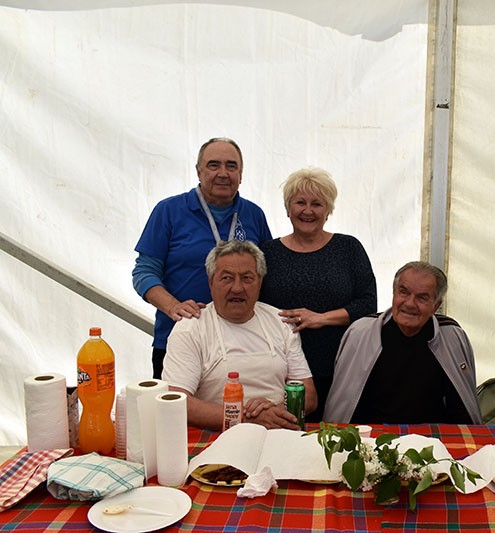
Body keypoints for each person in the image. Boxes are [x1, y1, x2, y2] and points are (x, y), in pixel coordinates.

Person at [133, 137, 271, 378]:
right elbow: (144, 273)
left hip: (244, 343)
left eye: (231, 166)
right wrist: (173, 307)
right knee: (178, 403)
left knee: (241, 402)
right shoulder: (168, 211)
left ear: (241, 174)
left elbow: (264, 274)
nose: (223, 173)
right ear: (199, 171)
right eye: (213, 165)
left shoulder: (254, 214)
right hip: (180, 339)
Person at [259, 167, 376, 420]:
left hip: (340, 365)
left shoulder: (348, 248)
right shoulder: (268, 253)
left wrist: (321, 318)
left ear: (328, 210)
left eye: (317, 204)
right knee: (287, 431)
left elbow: (368, 304)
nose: (308, 211)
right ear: (288, 208)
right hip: (282, 369)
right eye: (300, 202)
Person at [162, 240, 316, 430]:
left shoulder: (280, 322)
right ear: (211, 282)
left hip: (278, 429)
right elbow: (177, 400)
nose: (237, 288)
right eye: (227, 278)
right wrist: (244, 418)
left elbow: (309, 395)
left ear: (260, 282)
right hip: (216, 435)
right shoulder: (190, 329)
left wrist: (274, 413)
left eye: (247, 278)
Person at [324, 261, 481, 424]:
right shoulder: (360, 333)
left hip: (430, 434)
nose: (410, 303)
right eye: (404, 292)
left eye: (422, 297)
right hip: (371, 432)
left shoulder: (452, 336)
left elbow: (461, 409)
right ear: (394, 294)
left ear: (436, 305)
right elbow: (342, 404)